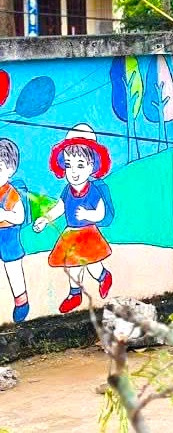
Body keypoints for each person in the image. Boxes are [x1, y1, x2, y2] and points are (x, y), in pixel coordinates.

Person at [34, 124, 116, 314]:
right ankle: (75, 293)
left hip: (88, 234)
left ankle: (103, 276)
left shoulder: (93, 190)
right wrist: (46, 219)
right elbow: (60, 208)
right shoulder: (67, 191)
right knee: (72, 268)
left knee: (93, 266)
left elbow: (101, 213)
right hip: (71, 234)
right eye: (69, 165)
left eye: (80, 165)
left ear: (92, 167)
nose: (74, 171)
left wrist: (88, 215)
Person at [0, 138, 29, 323]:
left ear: (10, 170)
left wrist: (4, 214)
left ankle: (22, 300)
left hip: (9, 235)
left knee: (13, 269)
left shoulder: (11, 194)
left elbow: (19, 217)